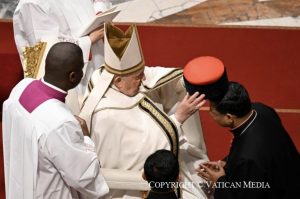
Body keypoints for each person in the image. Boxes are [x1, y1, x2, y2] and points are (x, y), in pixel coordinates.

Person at [79, 23, 209, 199]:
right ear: (117, 80)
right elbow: (143, 150)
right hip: (130, 188)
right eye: (138, 76)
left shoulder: (104, 74)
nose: (144, 78)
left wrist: (186, 80)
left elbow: (150, 74)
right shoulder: (107, 114)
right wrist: (178, 118)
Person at [2, 42, 109, 199]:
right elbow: (84, 177)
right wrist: (86, 138)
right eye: (82, 68)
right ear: (73, 76)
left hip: (21, 184)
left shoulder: (22, 87)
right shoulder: (61, 123)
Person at [183, 56, 300, 199]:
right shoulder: (262, 110)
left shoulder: (247, 157)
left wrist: (219, 181)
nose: (209, 113)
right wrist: (228, 163)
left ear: (228, 117)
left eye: (212, 111)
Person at [13, 0, 112, 114]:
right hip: (69, 80)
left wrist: (100, 12)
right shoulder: (33, 4)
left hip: (97, 61)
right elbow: (46, 50)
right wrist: (89, 40)